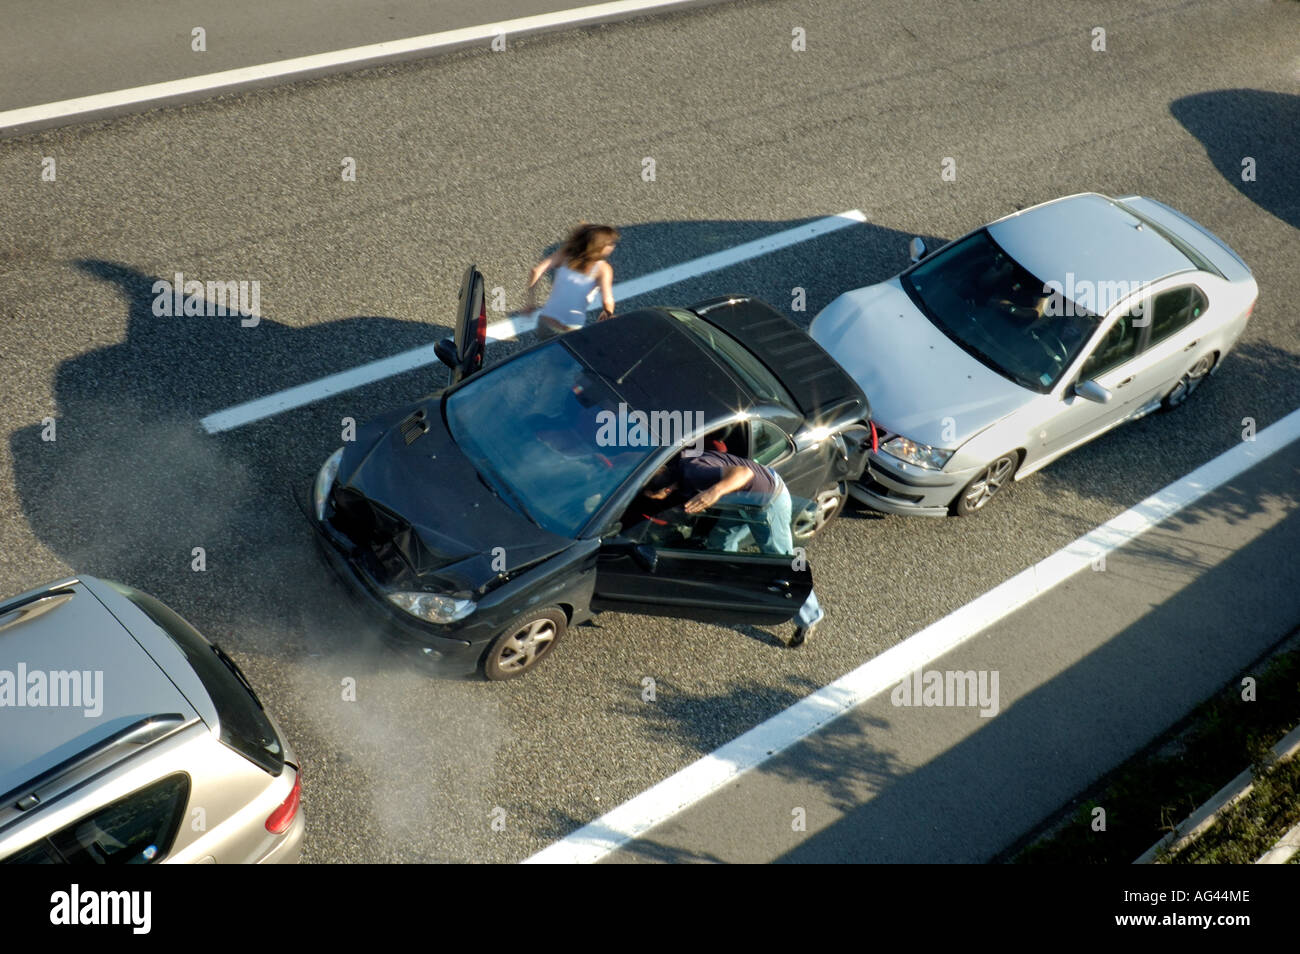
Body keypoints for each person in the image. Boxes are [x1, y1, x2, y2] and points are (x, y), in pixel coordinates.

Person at [643, 450, 824, 647]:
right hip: (744, 502)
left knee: (783, 564)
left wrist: (714, 492)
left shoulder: (694, 472)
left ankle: (810, 618)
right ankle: (726, 593)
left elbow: (744, 473)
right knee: (719, 544)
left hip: (768, 502)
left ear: (666, 490)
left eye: (653, 495)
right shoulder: (682, 463)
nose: (654, 498)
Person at [526, 224, 619, 336]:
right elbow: (607, 299)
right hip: (570, 326)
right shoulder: (603, 269)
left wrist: (530, 303)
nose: (613, 247)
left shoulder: (565, 255)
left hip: (546, 322)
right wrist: (608, 313)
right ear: (600, 246)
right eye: (610, 244)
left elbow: (536, 271)